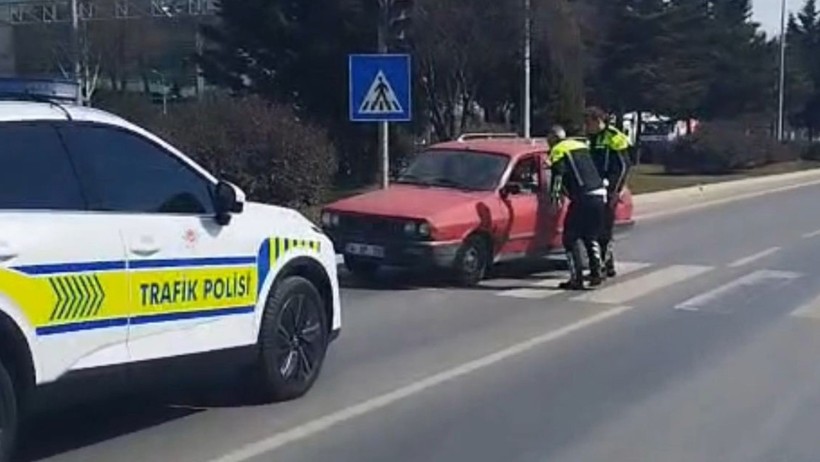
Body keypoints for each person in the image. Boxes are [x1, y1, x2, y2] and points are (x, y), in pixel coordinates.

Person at [546, 125, 607, 290]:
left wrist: (554, 199)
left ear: (553, 138)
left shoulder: (558, 150)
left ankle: (576, 278)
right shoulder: (579, 145)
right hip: (600, 193)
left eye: (548, 138)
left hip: (583, 197)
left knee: (570, 238)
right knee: (590, 235)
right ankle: (597, 272)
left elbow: (558, 174)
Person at [584, 107, 632, 279]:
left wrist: (615, 190)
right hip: (595, 188)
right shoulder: (591, 137)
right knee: (598, 227)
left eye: (588, 123)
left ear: (597, 121)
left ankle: (603, 266)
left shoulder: (614, 137)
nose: (586, 127)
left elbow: (623, 167)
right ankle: (608, 264)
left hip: (610, 188)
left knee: (603, 229)